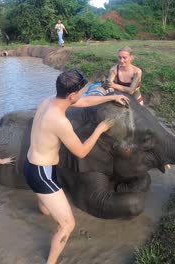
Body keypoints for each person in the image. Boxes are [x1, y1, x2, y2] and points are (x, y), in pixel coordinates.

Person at [25, 69, 129, 264]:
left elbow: (83, 102)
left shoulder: (48, 101)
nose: (83, 95)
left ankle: (42, 212)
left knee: (47, 210)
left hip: (31, 165)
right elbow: (81, 152)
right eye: (81, 91)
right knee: (67, 225)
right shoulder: (60, 121)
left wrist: (111, 97)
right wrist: (99, 130)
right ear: (71, 95)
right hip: (42, 174)